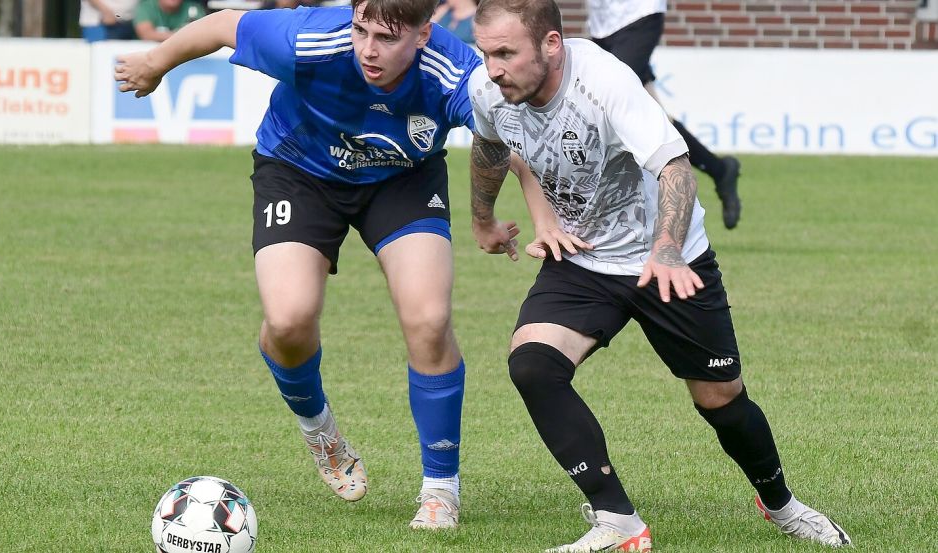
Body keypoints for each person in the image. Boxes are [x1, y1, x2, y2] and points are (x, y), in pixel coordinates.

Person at [466, 0, 852, 550]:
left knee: (720, 398)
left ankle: (783, 506)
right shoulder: (490, 90)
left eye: (506, 53)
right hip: (584, 257)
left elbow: (674, 164)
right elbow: (488, 146)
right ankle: (618, 523)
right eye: (487, 53)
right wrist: (483, 220)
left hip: (667, 262)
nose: (494, 67)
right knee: (532, 365)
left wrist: (667, 248)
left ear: (552, 45)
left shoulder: (605, 80)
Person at [114, 0, 488, 529]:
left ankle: (440, 488)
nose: (368, 49)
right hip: (299, 169)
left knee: (428, 319)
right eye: (360, 31)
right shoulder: (310, 39)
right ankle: (321, 431)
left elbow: (508, 139)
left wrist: (506, 217)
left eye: (386, 37)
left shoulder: (456, 71)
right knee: (289, 320)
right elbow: (225, 24)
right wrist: (157, 63)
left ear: (426, 34)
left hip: (402, 180)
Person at [587, 0, 742, 230]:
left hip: (638, 14)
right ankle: (719, 170)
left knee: (610, 99)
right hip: (602, 22)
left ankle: (618, 210)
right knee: (654, 114)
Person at [134, 0, 206, 42]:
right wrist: (181, 35)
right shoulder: (146, 6)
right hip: (150, 54)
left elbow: (202, 35)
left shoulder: (193, 8)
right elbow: (146, 35)